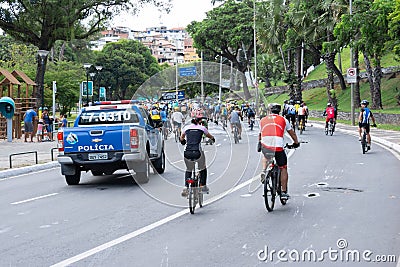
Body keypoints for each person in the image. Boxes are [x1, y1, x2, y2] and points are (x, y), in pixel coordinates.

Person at [258, 103, 300, 200]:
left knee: (266, 155)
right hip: (278, 146)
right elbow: (292, 133)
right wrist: (296, 143)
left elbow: (260, 134)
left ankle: (264, 170)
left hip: (266, 144)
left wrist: (259, 143)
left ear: (270, 111)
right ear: (279, 111)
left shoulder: (263, 120)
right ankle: (284, 192)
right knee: (283, 167)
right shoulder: (283, 120)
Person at [180, 117, 215, 197]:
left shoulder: (186, 128)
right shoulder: (202, 128)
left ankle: (186, 187)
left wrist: (183, 141)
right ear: (199, 122)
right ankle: (203, 186)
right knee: (203, 167)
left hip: (187, 153)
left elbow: (181, 138)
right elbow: (210, 136)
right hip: (197, 152)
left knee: (189, 169)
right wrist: (213, 139)